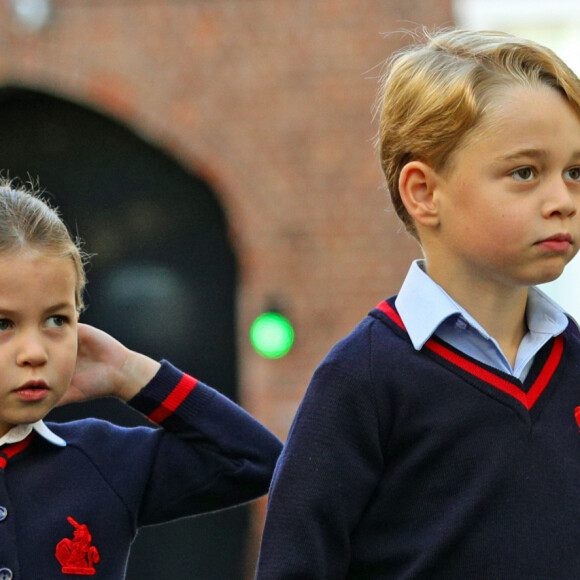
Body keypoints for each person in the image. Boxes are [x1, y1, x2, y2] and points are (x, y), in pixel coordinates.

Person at [256, 28, 580, 579]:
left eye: (575, 172)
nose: (562, 201)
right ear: (424, 192)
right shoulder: (362, 379)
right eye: (525, 172)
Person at [0, 180, 282, 577]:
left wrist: (128, 372)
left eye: (56, 320)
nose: (34, 352)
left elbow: (257, 461)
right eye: (3, 323)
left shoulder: (102, 460)